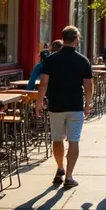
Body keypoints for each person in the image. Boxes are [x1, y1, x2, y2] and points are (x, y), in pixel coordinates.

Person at [37, 25, 92, 189]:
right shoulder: (83, 60)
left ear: (63, 38)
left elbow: (44, 83)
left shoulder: (51, 59)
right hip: (75, 105)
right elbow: (88, 86)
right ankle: (69, 176)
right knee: (74, 140)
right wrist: (88, 104)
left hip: (56, 105)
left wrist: (39, 101)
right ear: (76, 39)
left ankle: (60, 168)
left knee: (57, 138)